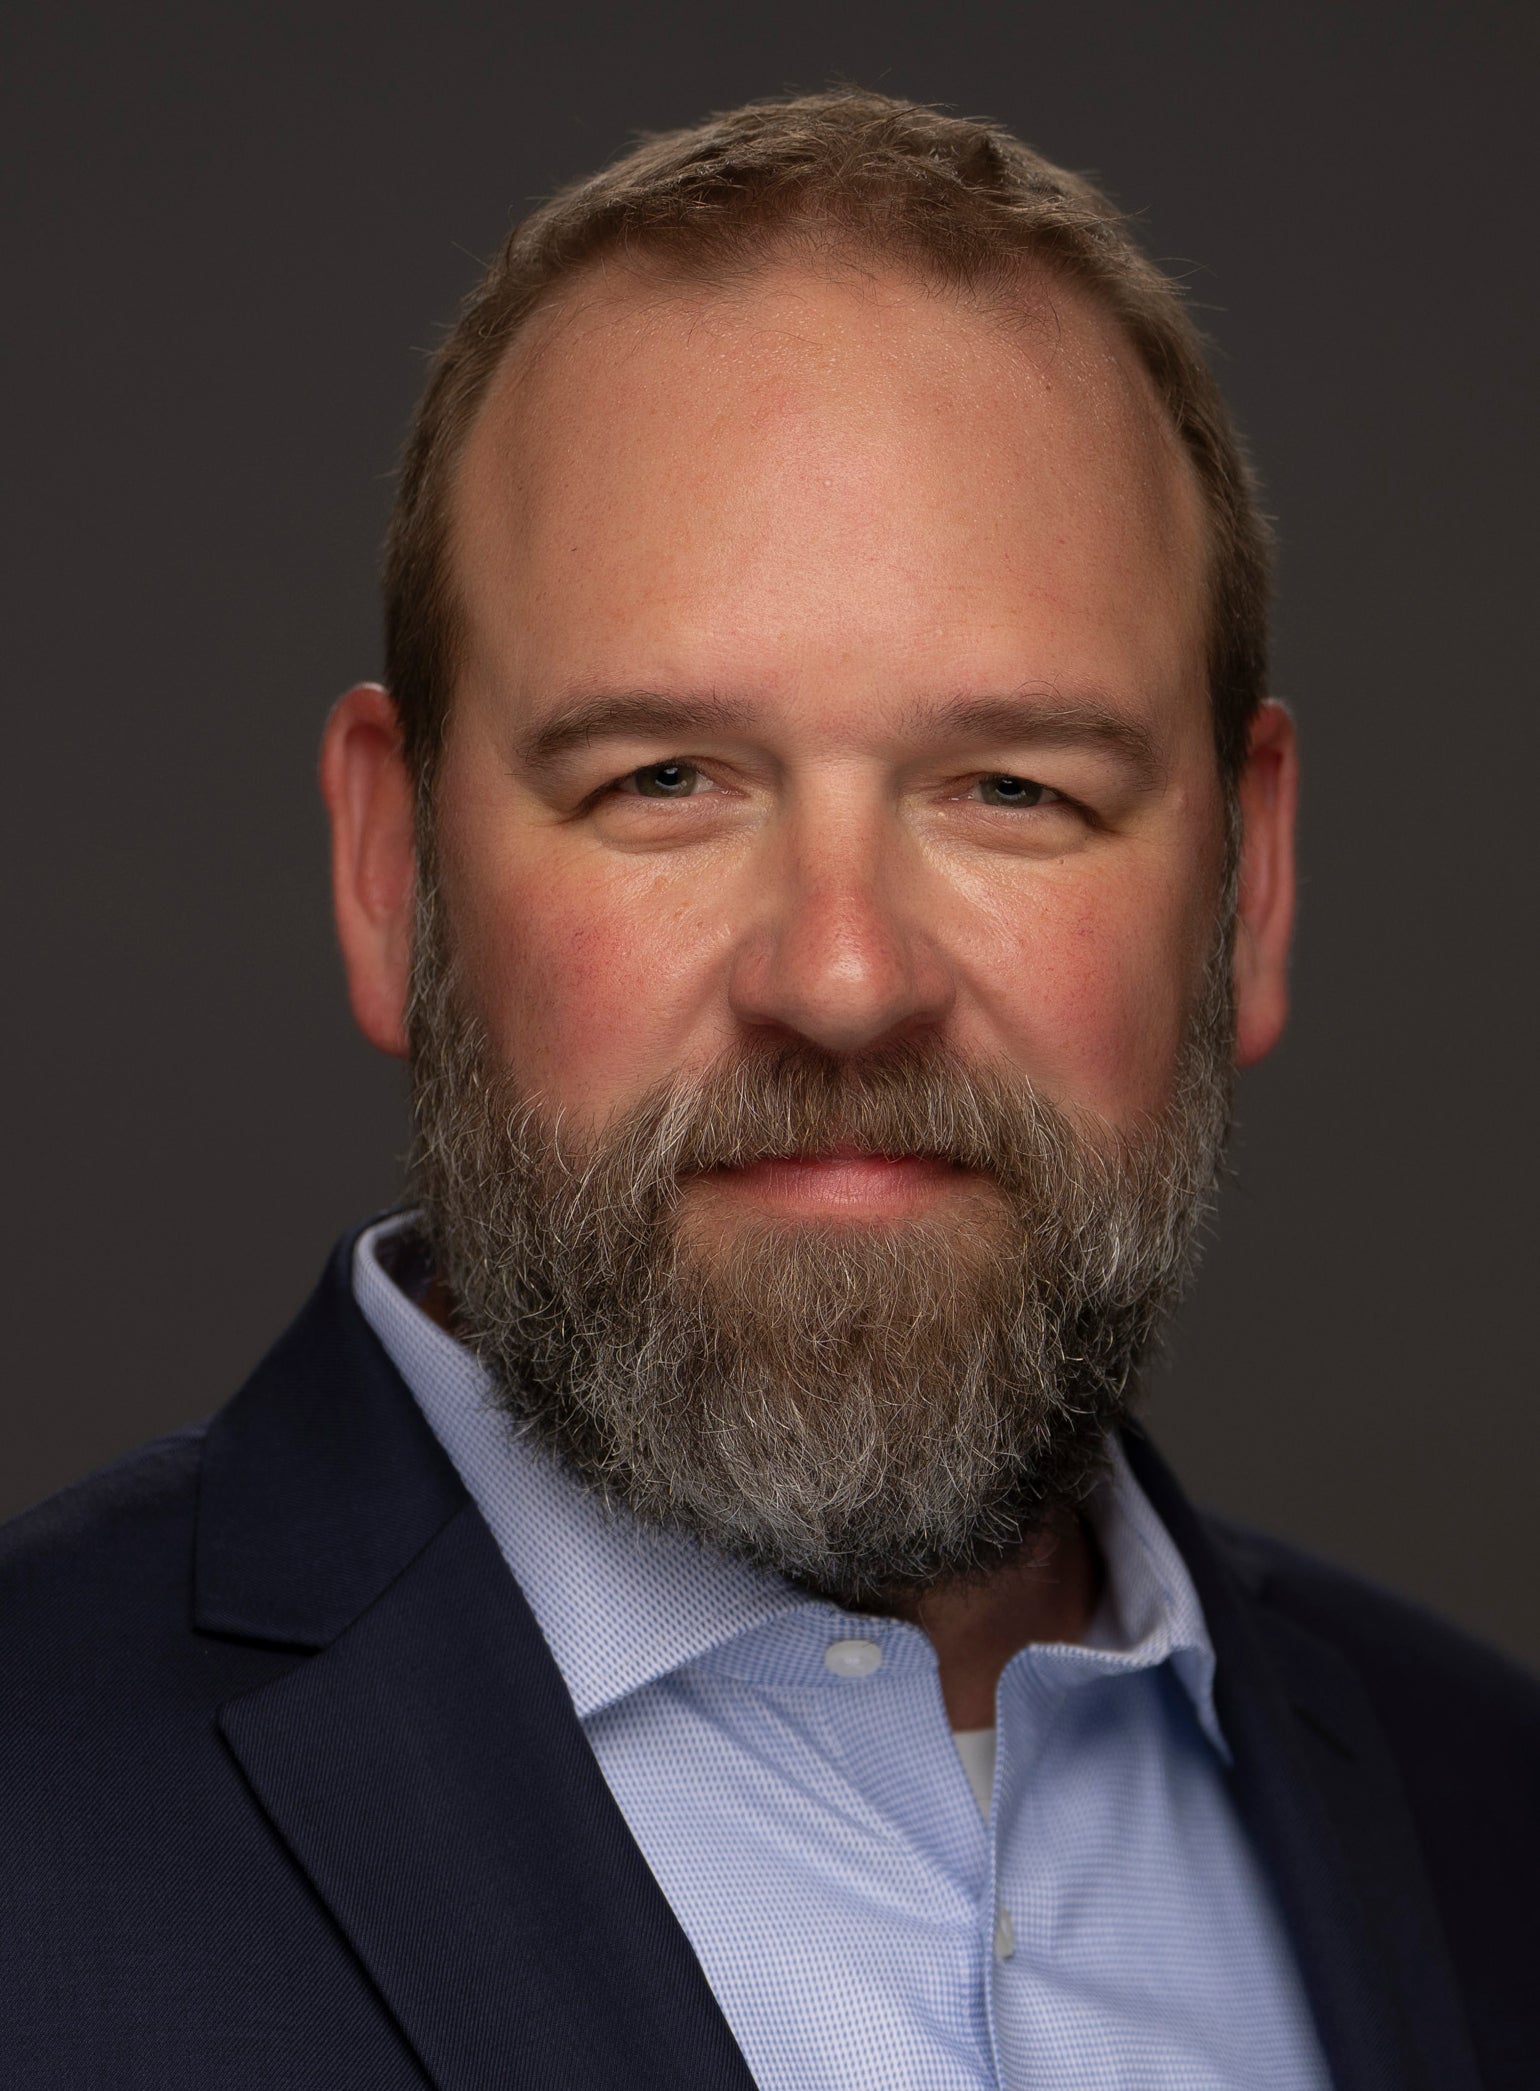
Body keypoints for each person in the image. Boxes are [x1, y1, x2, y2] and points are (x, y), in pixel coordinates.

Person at [3, 87, 1534, 2091]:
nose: (841, 977)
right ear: (390, 870)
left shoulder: (1492, 1824)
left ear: (1247, 886)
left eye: (1012, 789)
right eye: (663, 780)